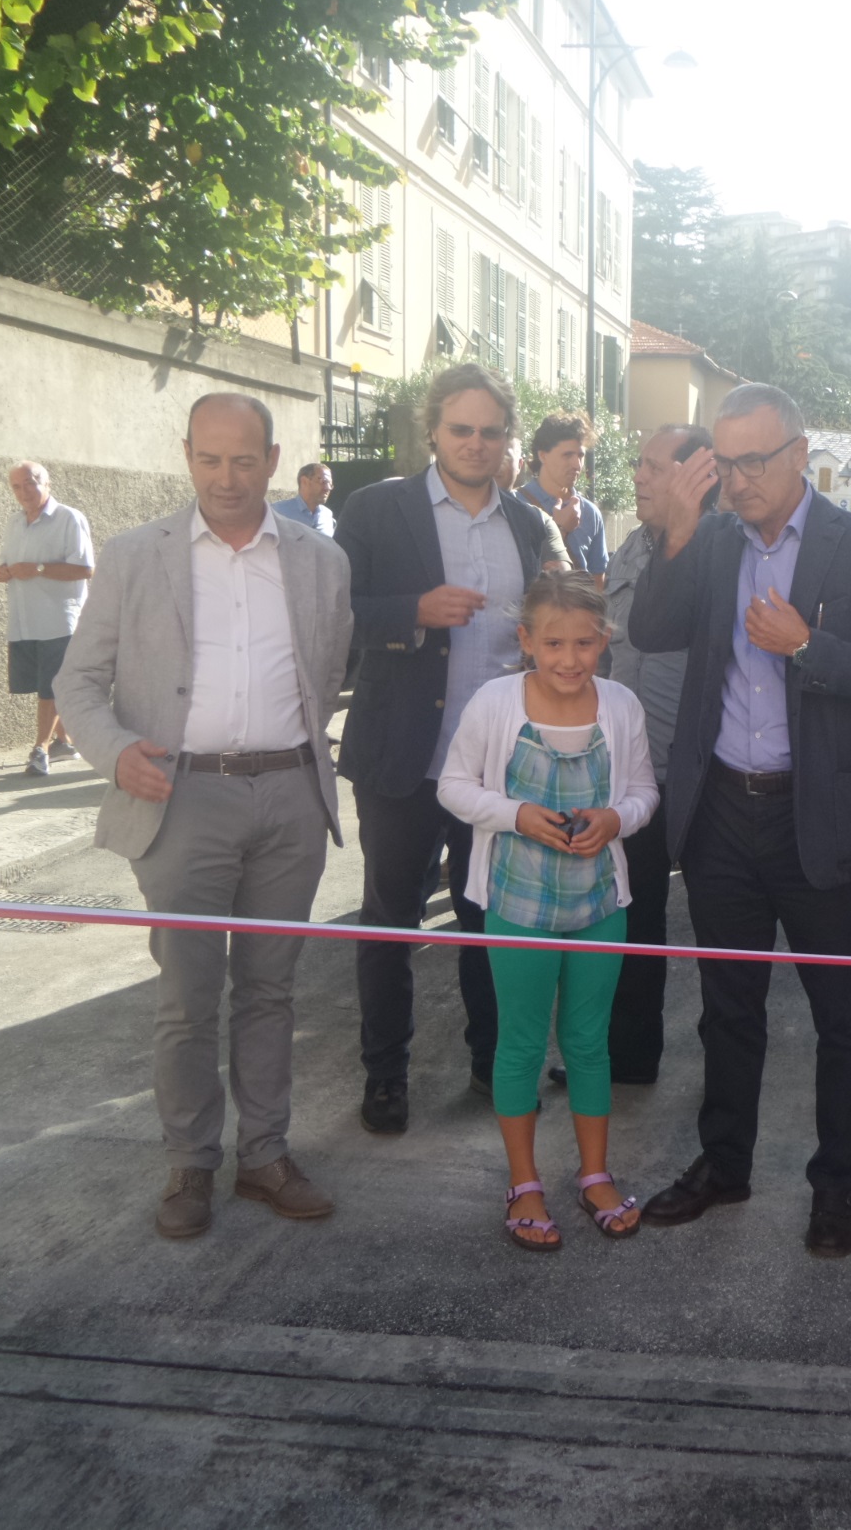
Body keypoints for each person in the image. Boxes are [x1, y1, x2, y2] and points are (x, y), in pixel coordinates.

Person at [627, 383, 851, 1257]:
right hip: (722, 809)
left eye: (754, 461)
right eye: (724, 462)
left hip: (820, 817)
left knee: (843, 1016)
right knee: (727, 1010)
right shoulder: (712, 538)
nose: (737, 479)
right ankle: (724, 1165)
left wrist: (808, 647)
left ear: (800, 455)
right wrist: (677, 535)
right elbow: (649, 626)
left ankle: (836, 1185)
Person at [54, 393, 354, 1239]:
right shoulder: (132, 556)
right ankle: (190, 1163)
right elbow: (77, 682)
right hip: (180, 799)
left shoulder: (320, 560)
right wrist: (115, 751)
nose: (227, 478)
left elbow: (327, 670)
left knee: (271, 988)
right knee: (187, 995)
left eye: (244, 460)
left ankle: (264, 1155)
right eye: (210, 459)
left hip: (290, 794)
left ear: (272, 458)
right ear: (187, 455)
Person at [335, 365, 568, 1135]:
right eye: (461, 428)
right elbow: (334, 616)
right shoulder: (375, 510)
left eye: (491, 431)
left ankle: (493, 1064)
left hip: (500, 772)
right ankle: (385, 1077)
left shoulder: (529, 526)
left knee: (491, 926)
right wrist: (414, 612)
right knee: (391, 922)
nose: (476, 443)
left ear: (508, 441)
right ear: (433, 430)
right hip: (403, 760)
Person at [438, 570, 658, 1250]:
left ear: (604, 640)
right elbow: (453, 785)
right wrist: (515, 814)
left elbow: (646, 790)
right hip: (516, 904)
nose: (569, 658)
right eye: (554, 642)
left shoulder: (621, 706)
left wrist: (617, 818)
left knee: (590, 1041)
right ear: (526, 639)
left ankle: (594, 1173)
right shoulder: (495, 703)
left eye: (584, 643)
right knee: (522, 1042)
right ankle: (525, 1181)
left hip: (599, 906)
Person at [594, 423, 713, 1084]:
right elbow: (612, 651)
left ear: (697, 476)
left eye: (652, 465)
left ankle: (723, 1071)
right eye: (637, 464)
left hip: (699, 769)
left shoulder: (720, 551)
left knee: (720, 930)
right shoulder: (630, 550)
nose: (637, 476)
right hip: (629, 768)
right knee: (629, 918)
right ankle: (627, 1054)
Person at [0, 462, 95, 776]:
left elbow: (85, 569)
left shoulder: (69, 518)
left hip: (59, 621)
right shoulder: (14, 522)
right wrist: (2, 571)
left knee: (50, 688)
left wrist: (38, 568)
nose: (24, 492)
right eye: (16, 487)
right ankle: (64, 740)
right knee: (46, 685)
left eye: (30, 483)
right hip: (25, 620)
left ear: (47, 483)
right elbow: (8, 564)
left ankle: (41, 749)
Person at [517, 412, 607, 578]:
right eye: (567, 455)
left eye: (580, 455)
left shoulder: (590, 513)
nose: (577, 464)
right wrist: (560, 530)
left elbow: (597, 582)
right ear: (542, 455)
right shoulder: (516, 505)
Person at [271, 461, 338, 538]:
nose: (327, 488)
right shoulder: (278, 512)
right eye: (324, 482)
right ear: (304, 481)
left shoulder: (327, 515)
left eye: (330, 484)